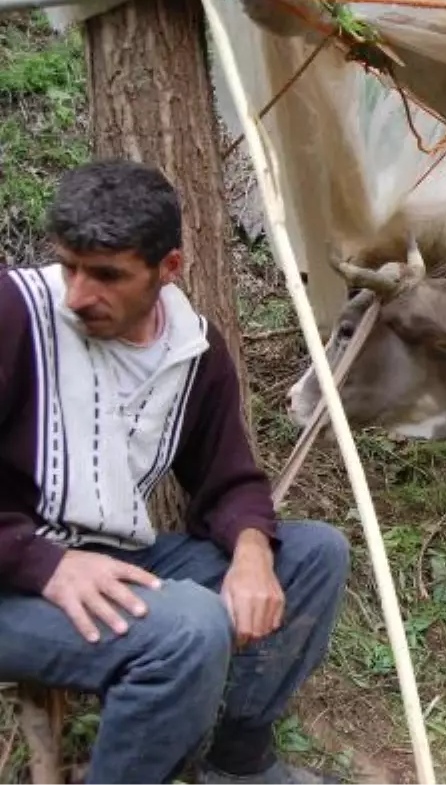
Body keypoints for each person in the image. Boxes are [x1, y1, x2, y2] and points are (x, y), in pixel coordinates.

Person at [0, 159, 351, 784]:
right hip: (12, 576)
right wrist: (41, 562)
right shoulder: (12, 313)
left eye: (107, 275)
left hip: (107, 557)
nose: (80, 294)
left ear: (168, 270)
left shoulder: (193, 351)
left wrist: (250, 552)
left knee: (313, 556)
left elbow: (230, 480)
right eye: (69, 266)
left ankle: (237, 762)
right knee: (187, 628)